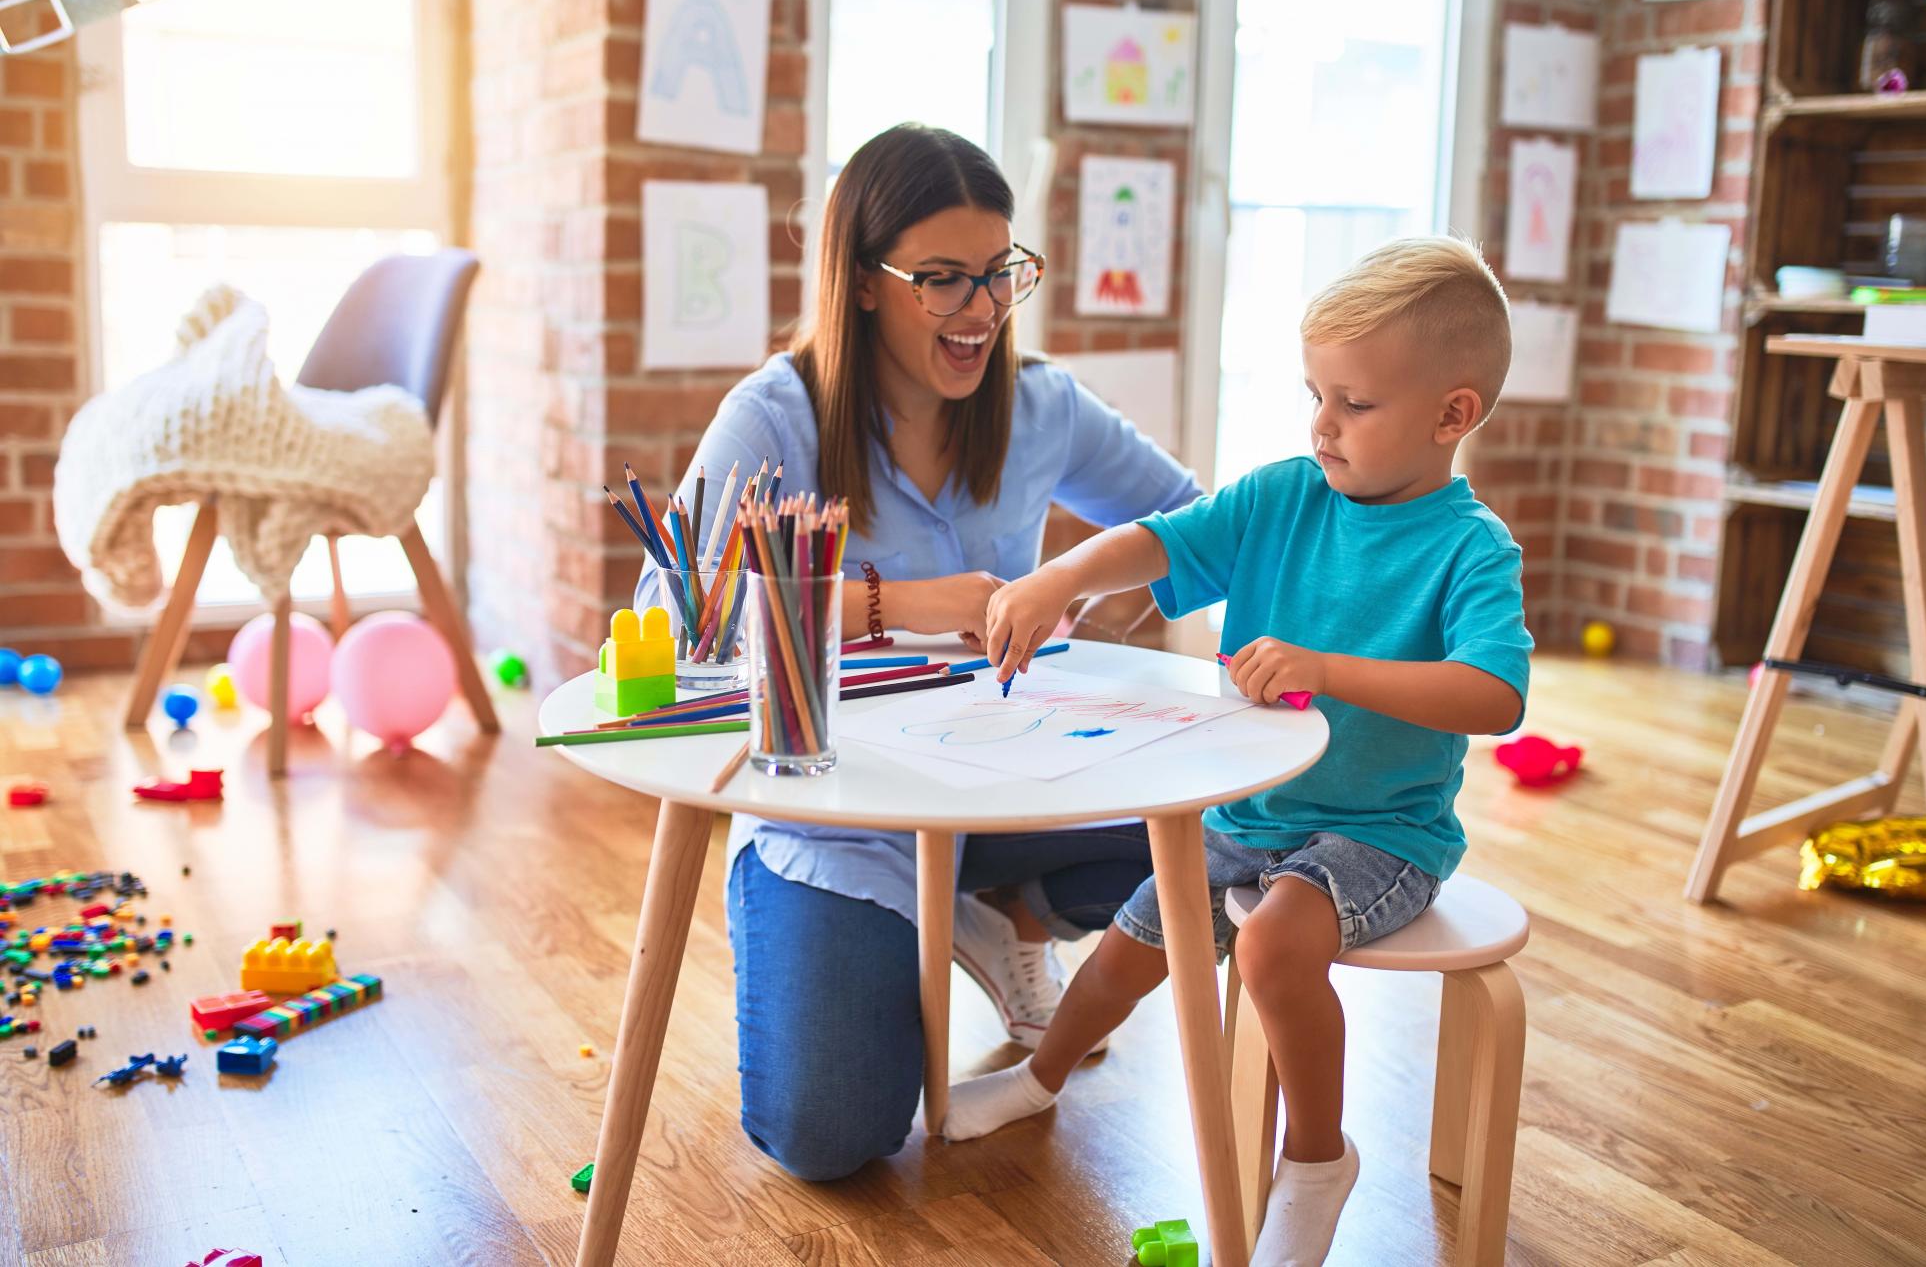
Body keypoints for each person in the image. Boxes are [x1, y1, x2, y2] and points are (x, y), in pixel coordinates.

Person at [943, 236, 1534, 1267]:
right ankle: (1040, 1076)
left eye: (1353, 403)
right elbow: (1158, 539)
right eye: (1315, 392)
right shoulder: (1282, 492)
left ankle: (1314, 1163)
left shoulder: (1470, 546)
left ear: (1452, 414)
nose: (1321, 424)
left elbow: (1493, 695)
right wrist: (1057, 580)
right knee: (1120, 955)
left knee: (1266, 946)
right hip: (1248, 814)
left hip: (1378, 832)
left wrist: (1328, 666)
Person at [639, 123, 1202, 1180]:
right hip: (841, 807)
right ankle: (904, 921)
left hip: (1014, 774)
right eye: (940, 280)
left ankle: (1002, 912)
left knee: (1221, 839)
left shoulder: (1041, 406)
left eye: (997, 274)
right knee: (833, 1134)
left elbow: (1197, 520)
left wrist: (1074, 579)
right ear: (860, 283)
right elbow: (675, 627)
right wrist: (888, 599)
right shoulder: (774, 415)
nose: (980, 310)